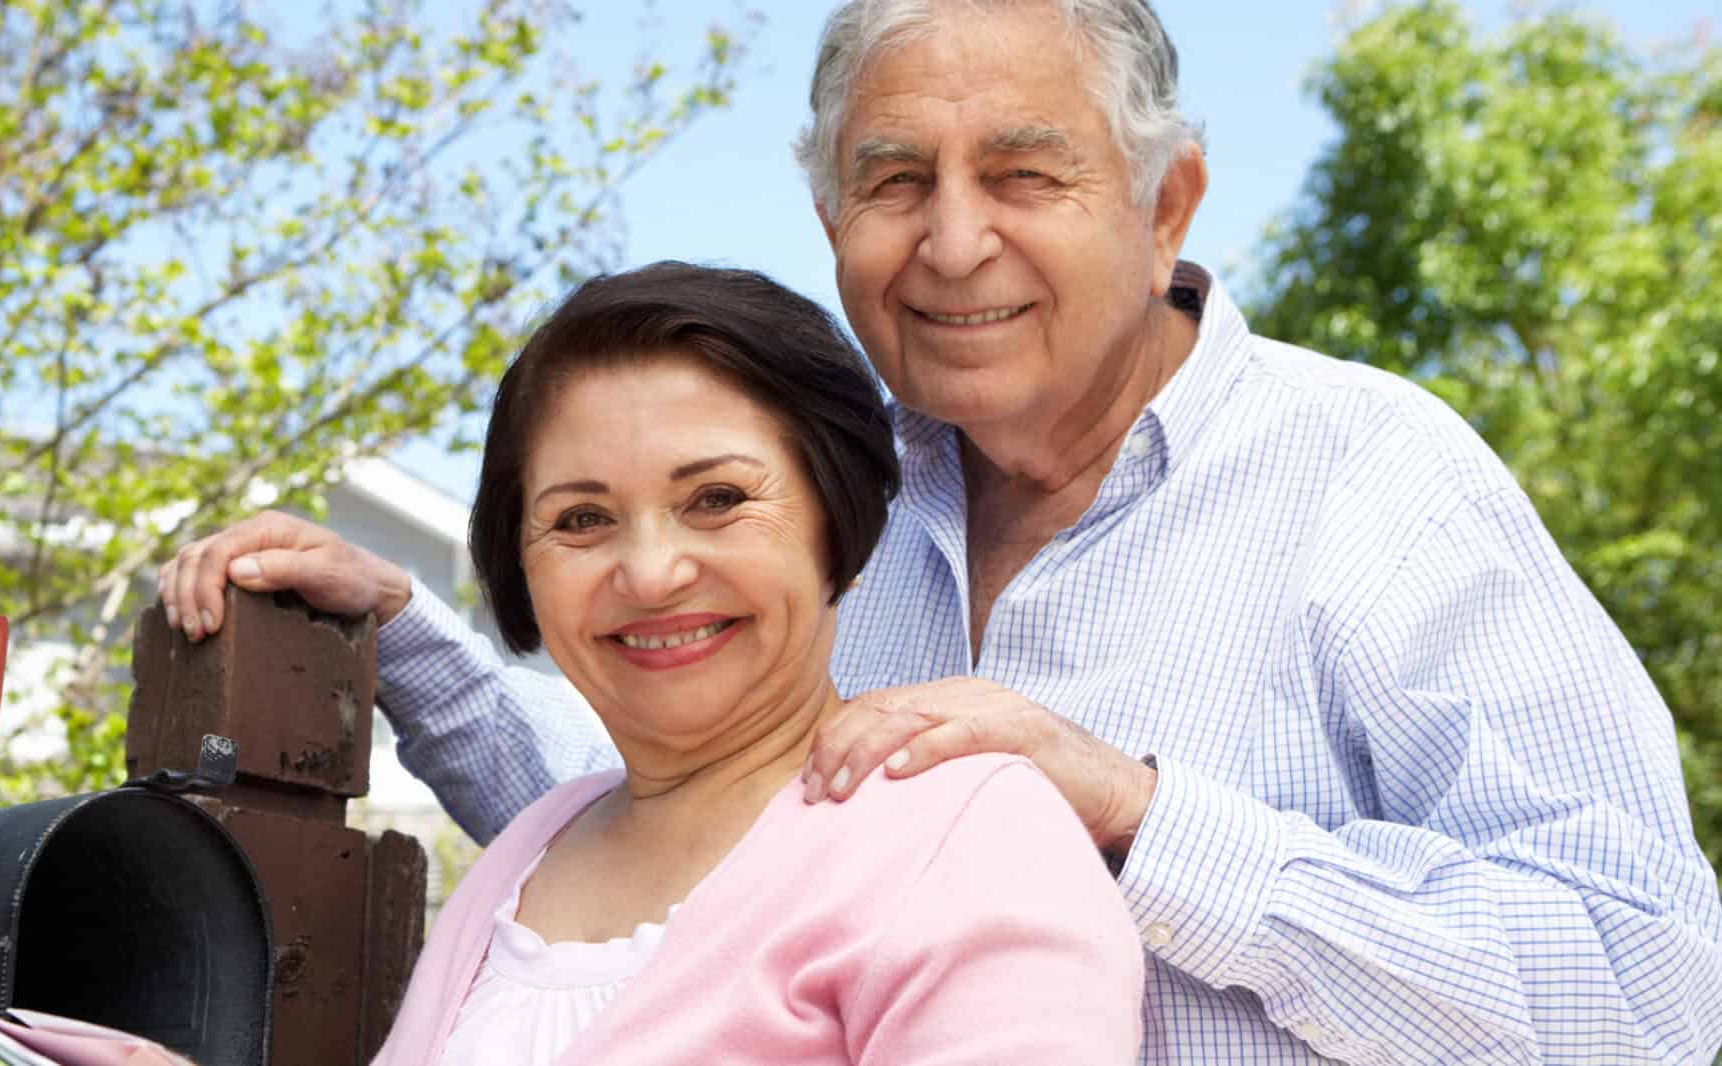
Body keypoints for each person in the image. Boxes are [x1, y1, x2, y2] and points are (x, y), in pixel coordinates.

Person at [161, 1, 1722, 1061]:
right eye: (893, 180)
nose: (955, 239)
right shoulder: (836, 503)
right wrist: (409, 637)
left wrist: (1137, 813)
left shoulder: (1372, 477)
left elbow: (1653, 987)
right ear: (832, 218)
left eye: (1026, 172)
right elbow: (664, 853)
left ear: (1165, 201)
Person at [370, 260, 1141, 1065]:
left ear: (832, 515)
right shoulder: (527, 853)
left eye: (717, 499)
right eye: (583, 517)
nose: (651, 573)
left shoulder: (971, 837)